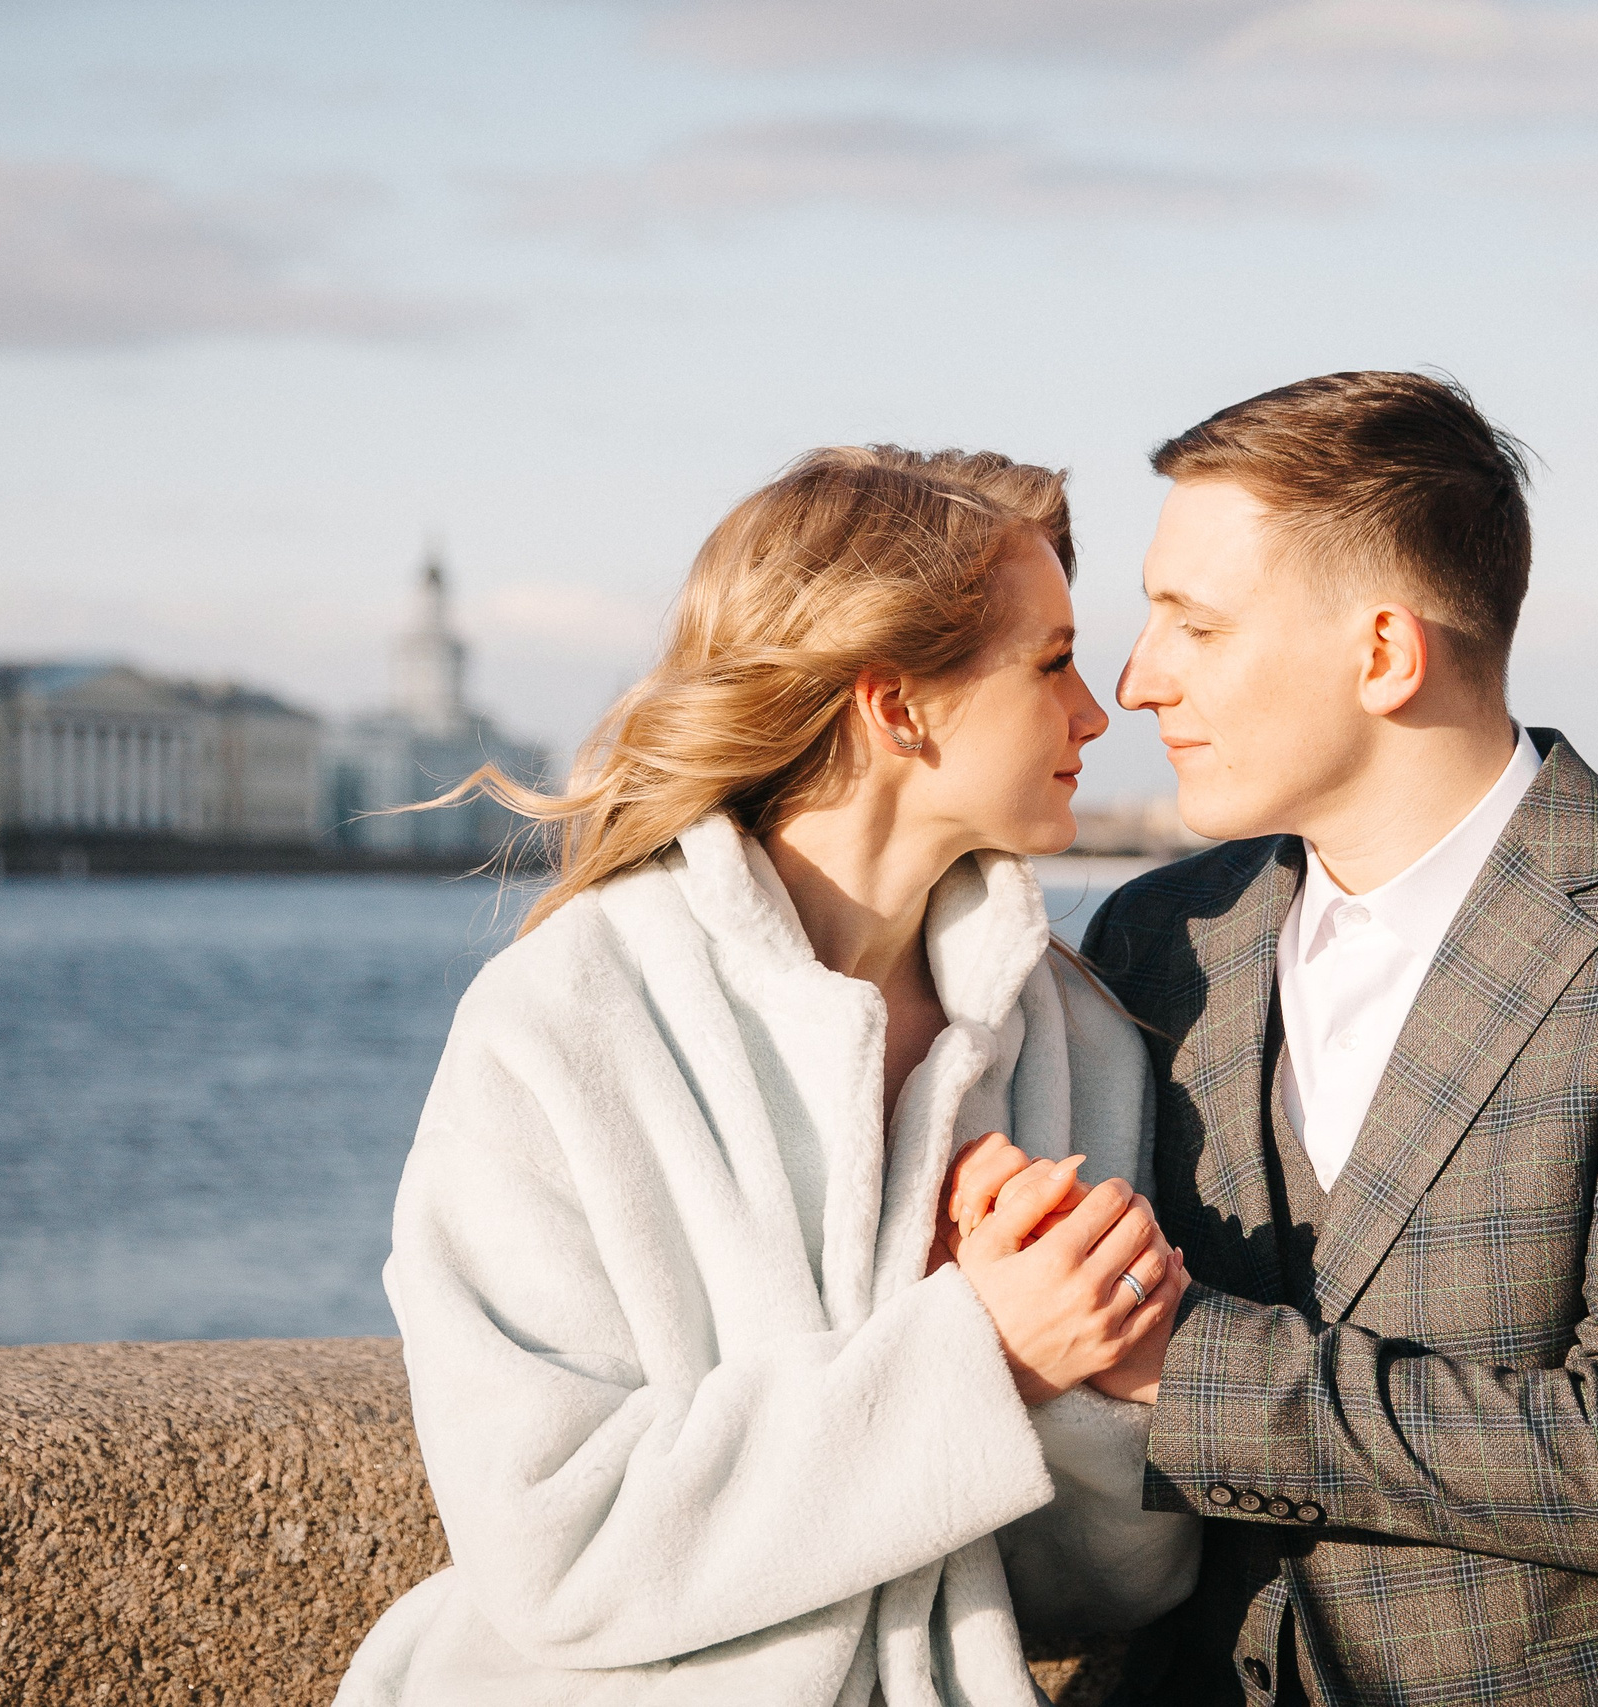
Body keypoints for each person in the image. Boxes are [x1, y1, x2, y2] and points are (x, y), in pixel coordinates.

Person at [335, 447, 1200, 1707]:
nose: (1095, 712)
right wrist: (987, 1354)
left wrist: (1108, 1376)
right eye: (1051, 660)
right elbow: (553, 1550)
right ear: (897, 706)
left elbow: (1096, 1589)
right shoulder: (562, 1018)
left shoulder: (1077, 1045)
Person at [1081, 373, 1598, 1706]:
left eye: (1194, 625)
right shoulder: (1159, 936)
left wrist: (1174, 1361)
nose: (1137, 679)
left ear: (1385, 654)